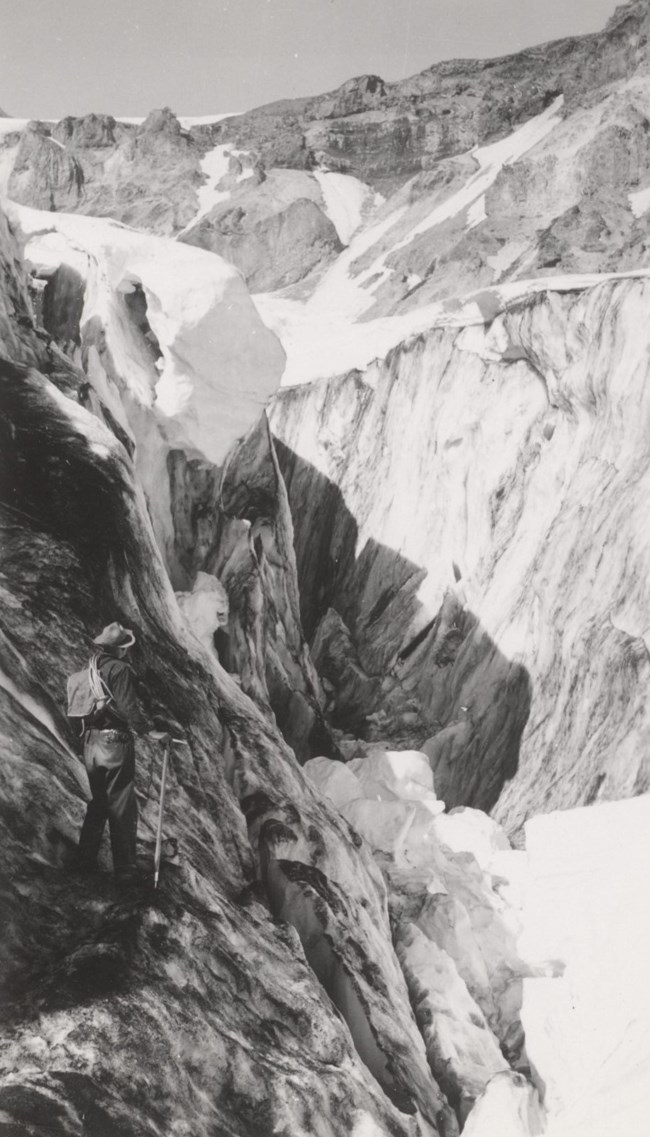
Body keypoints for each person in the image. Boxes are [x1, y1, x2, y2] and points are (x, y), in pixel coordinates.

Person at [74, 621, 162, 883]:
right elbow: (127, 707)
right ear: (121, 649)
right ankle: (125, 869)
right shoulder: (119, 669)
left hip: (90, 742)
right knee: (121, 803)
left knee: (99, 803)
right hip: (114, 742)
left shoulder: (90, 668)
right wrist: (148, 731)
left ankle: (83, 862)